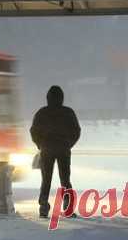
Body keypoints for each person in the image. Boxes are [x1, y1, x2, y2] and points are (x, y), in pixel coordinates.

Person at [30, 85, 81, 218]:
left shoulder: (42, 112)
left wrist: (40, 145)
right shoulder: (68, 112)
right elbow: (76, 131)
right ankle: (68, 207)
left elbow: (33, 131)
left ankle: (43, 206)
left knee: (46, 179)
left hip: (46, 149)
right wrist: (69, 144)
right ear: (62, 98)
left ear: (48, 98)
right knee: (65, 179)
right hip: (64, 150)